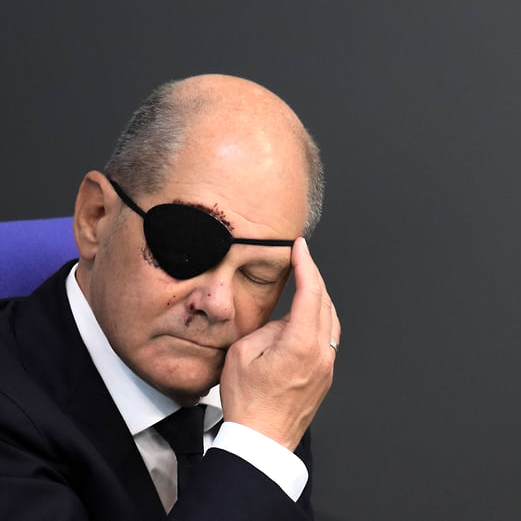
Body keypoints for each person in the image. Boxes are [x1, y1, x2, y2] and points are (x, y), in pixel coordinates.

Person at [0, 75, 340, 519]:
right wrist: (255, 449)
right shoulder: (261, 429)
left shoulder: (264, 396)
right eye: (184, 248)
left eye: (258, 274)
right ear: (95, 217)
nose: (218, 304)